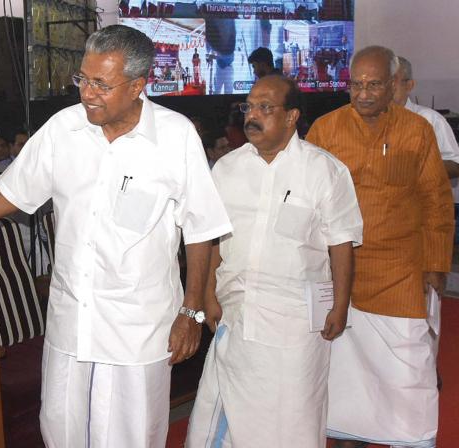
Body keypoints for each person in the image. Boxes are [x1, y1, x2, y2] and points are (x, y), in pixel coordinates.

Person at [0, 24, 232, 446]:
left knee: (131, 437)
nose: (87, 93)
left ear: (137, 87)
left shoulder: (175, 136)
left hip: (137, 329)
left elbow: (201, 231)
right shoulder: (64, 129)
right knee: (62, 431)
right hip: (72, 323)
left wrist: (192, 312)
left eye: (101, 84)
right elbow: (11, 194)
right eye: (83, 79)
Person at [186, 75, 363, 447]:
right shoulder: (227, 168)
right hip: (236, 316)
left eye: (265, 107)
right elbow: (215, 236)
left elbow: (341, 244)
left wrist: (341, 306)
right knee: (228, 415)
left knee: (294, 418)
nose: (253, 115)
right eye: (248, 107)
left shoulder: (324, 170)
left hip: (296, 324)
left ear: (291, 116)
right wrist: (207, 295)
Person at [306, 46, 453, 448]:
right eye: (356, 84)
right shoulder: (326, 128)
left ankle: (408, 437)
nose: (364, 93)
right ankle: (349, 434)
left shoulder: (417, 130)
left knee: (408, 367)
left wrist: (436, 264)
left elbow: (437, 200)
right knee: (344, 370)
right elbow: (307, 198)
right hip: (340, 270)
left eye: (374, 85)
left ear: (393, 87)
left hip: (400, 268)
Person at [393, 56, 459, 179]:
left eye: (391, 82)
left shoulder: (430, 119)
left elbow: (455, 165)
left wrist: (416, 168)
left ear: (409, 85)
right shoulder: (365, 119)